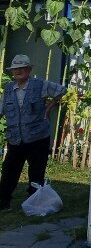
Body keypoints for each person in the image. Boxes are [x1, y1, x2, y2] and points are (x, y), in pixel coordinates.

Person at [0, 55, 66, 210]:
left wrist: (49, 107)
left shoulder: (40, 85)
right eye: (15, 69)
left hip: (38, 137)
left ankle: (34, 202)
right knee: (9, 170)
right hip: (16, 138)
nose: (18, 71)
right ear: (12, 72)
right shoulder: (8, 88)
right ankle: (3, 202)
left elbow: (61, 90)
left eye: (22, 68)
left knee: (36, 172)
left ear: (29, 69)